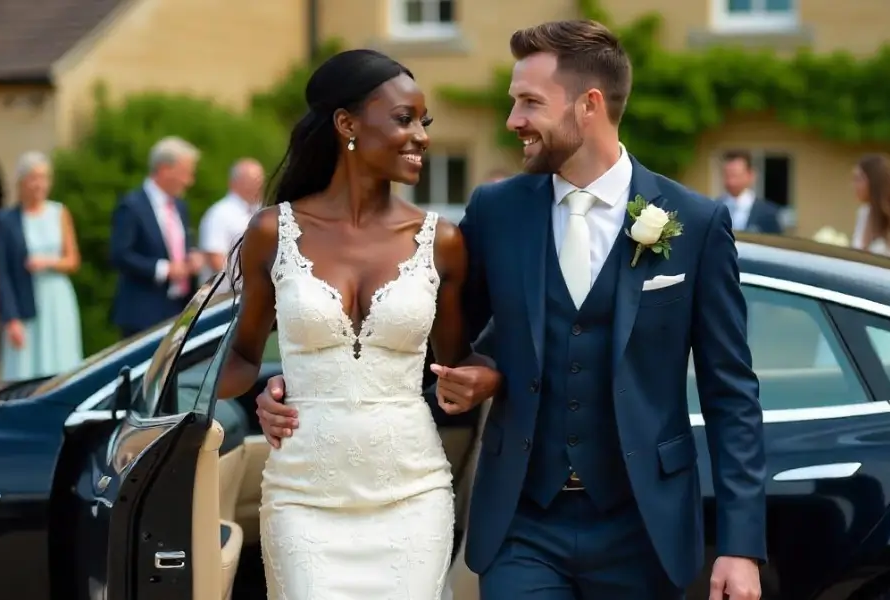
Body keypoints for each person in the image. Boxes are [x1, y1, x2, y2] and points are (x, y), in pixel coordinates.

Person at [255, 21, 766, 600]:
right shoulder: (497, 212)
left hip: (644, 527)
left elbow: (731, 395)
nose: (513, 121)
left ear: (589, 105)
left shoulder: (695, 223)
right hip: (525, 525)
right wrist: (289, 384)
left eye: (529, 103)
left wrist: (740, 545)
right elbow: (417, 337)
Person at [214, 49, 483, 599]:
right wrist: (221, 398)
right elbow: (242, 355)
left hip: (412, 492)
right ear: (347, 125)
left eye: (423, 123)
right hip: (303, 494)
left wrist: (481, 381)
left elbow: (459, 365)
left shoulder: (443, 241)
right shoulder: (273, 232)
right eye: (404, 119)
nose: (422, 137)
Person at [0, 151, 84, 380]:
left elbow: (73, 260)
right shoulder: (6, 219)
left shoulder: (59, 212)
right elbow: (2, 273)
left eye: (44, 178)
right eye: (33, 178)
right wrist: (10, 318)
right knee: (24, 367)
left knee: (61, 362)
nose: (39, 184)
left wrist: (48, 262)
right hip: (25, 300)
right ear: (21, 182)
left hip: (57, 298)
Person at [109, 136, 205, 338]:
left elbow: (179, 244)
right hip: (143, 313)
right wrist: (163, 269)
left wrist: (192, 257)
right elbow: (120, 254)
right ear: (164, 170)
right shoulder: (132, 206)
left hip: (179, 309)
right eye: (185, 174)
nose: (189, 181)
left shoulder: (180, 206)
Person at [198, 158, 263, 288]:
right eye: (254, 181)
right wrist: (242, 285)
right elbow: (215, 258)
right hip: (224, 296)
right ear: (235, 183)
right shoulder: (219, 213)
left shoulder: (260, 211)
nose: (260, 186)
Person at [716, 150, 783, 234]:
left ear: (750, 175)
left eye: (735, 175)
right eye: (727, 175)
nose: (731, 182)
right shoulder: (714, 209)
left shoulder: (768, 213)